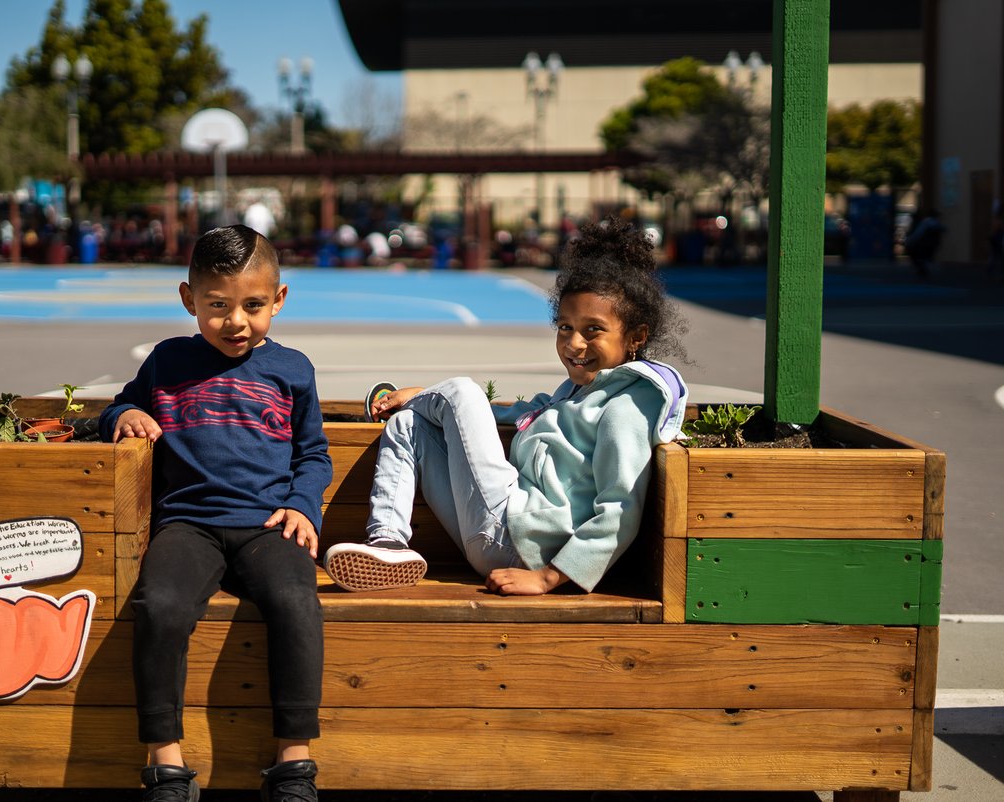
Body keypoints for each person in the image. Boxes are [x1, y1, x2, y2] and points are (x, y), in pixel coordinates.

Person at [324, 216, 687, 596]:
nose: (574, 344)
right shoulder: (578, 391)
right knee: (407, 426)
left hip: (524, 544)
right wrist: (430, 406)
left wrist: (547, 578)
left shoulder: (627, 405)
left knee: (462, 392)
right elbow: (526, 413)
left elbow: (619, 510)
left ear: (636, 336)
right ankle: (389, 543)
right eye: (565, 327)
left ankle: (418, 400)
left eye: (592, 330)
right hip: (499, 534)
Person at [99, 225, 332, 802]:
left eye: (253, 306)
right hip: (189, 525)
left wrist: (303, 507)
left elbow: (314, 454)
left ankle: (294, 762)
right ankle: (165, 764)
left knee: (297, 600)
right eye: (218, 306)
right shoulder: (168, 360)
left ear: (278, 300)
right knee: (160, 605)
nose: (236, 322)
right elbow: (119, 404)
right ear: (189, 301)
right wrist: (125, 416)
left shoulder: (293, 370)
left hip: (267, 526)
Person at [904, 209, 944, 279]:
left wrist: (910, 241)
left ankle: (923, 269)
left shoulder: (926, 222)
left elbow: (917, 234)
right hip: (926, 243)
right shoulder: (929, 222)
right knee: (921, 256)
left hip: (923, 243)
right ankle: (923, 268)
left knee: (918, 256)